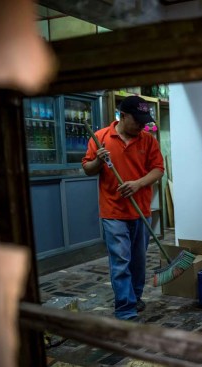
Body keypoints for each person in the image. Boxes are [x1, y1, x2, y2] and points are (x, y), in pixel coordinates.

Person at [82, 96, 164, 321]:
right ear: (123, 116)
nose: (141, 125)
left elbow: (158, 169)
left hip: (140, 211)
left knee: (138, 260)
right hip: (113, 211)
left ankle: (135, 297)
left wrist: (138, 183)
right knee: (120, 261)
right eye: (137, 120)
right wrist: (98, 161)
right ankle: (125, 309)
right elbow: (88, 168)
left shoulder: (148, 140)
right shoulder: (100, 138)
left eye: (144, 121)